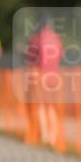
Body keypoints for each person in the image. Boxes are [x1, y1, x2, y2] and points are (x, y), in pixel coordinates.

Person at [25, 15, 62, 146]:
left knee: (40, 106)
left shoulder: (37, 39)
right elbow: (60, 56)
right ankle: (53, 136)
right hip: (55, 76)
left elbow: (30, 58)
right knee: (51, 106)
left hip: (41, 76)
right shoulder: (57, 39)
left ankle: (45, 136)